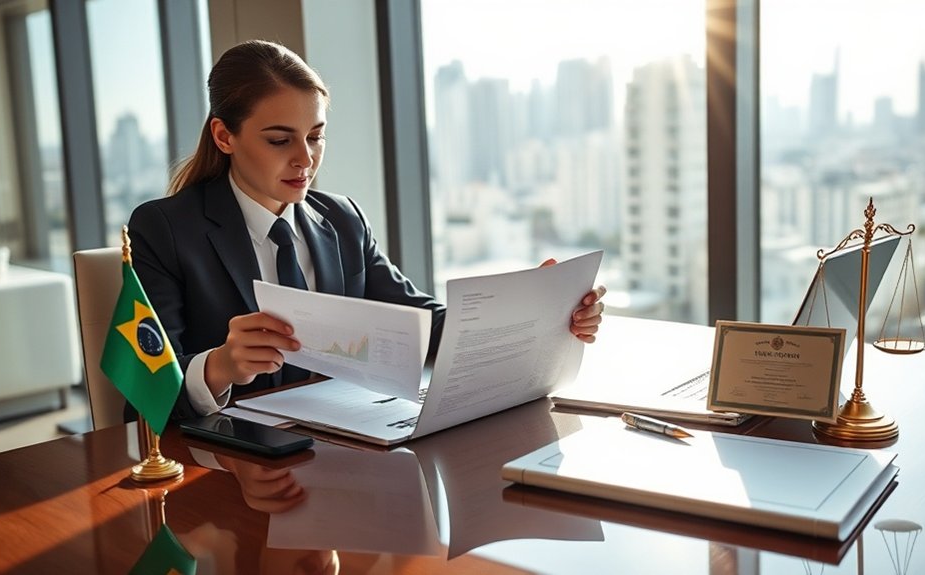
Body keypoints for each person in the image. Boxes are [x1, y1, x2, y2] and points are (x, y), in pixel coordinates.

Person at [127, 39, 606, 422]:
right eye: (279, 140)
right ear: (224, 136)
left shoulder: (341, 219)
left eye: (315, 137)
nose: (305, 159)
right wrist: (220, 366)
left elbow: (422, 324)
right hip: (229, 474)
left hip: (344, 453)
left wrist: (539, 310)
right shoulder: (164, 229)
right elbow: (142, 396)